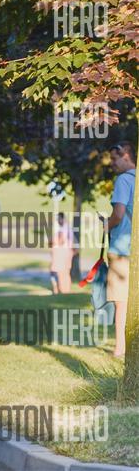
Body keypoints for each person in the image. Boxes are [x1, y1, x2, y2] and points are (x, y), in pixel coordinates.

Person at [105, 142, 135, 358]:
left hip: (122, 250)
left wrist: (105, 226)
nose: (112, 164)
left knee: (121, 301)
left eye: (114, 159)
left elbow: (118, 213)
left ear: (126, 156)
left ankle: (119, 349)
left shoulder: (124, 180)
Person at [49, 212, 74, 295]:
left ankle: (63, 290)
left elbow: (61, 240)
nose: (58, 221)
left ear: (63, 218)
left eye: (59, 219)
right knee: (65, 272)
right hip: (65, 251)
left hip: (63, 252)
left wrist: (53, 241)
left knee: (61, 272)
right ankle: (65, 290)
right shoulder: (67, 228)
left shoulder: (64, 228)